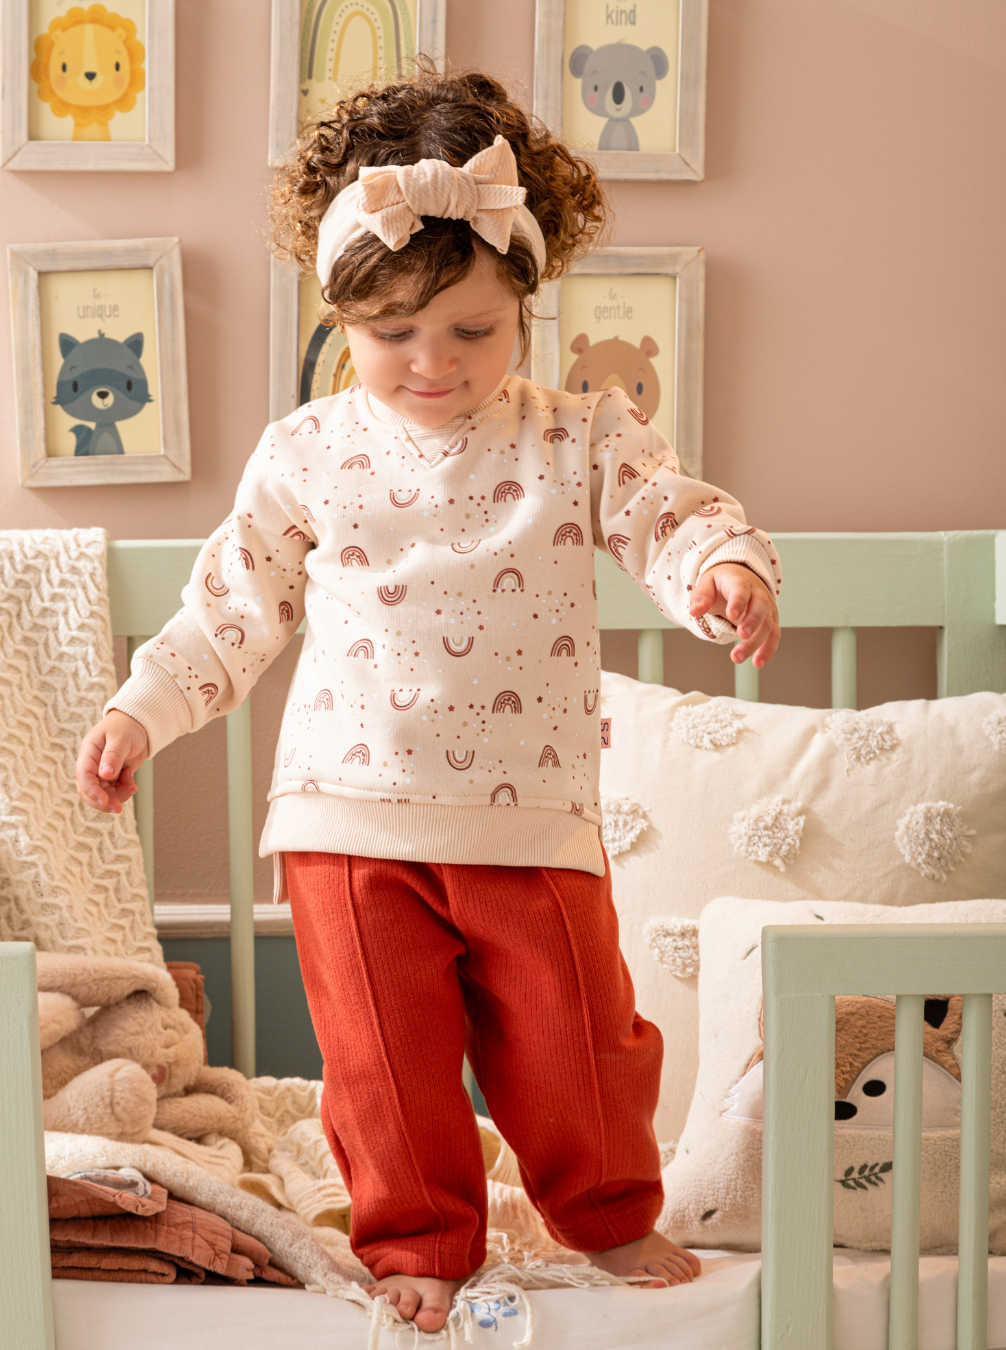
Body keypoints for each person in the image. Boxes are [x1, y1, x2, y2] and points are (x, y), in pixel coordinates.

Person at [76, 66, 781, 1333]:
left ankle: (609, 1213)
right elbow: (229, 611)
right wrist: (141, 711)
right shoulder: (306, 452)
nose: (433, 361)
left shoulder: (576, 436)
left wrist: (720, 570)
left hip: (533, 815)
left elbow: (669, 515)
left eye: (472, 329)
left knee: (579, 1044)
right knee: (383, 1058)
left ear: (525, 310)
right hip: (347, 813)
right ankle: (419, 1239)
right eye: (394, 331)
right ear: (341, 318)